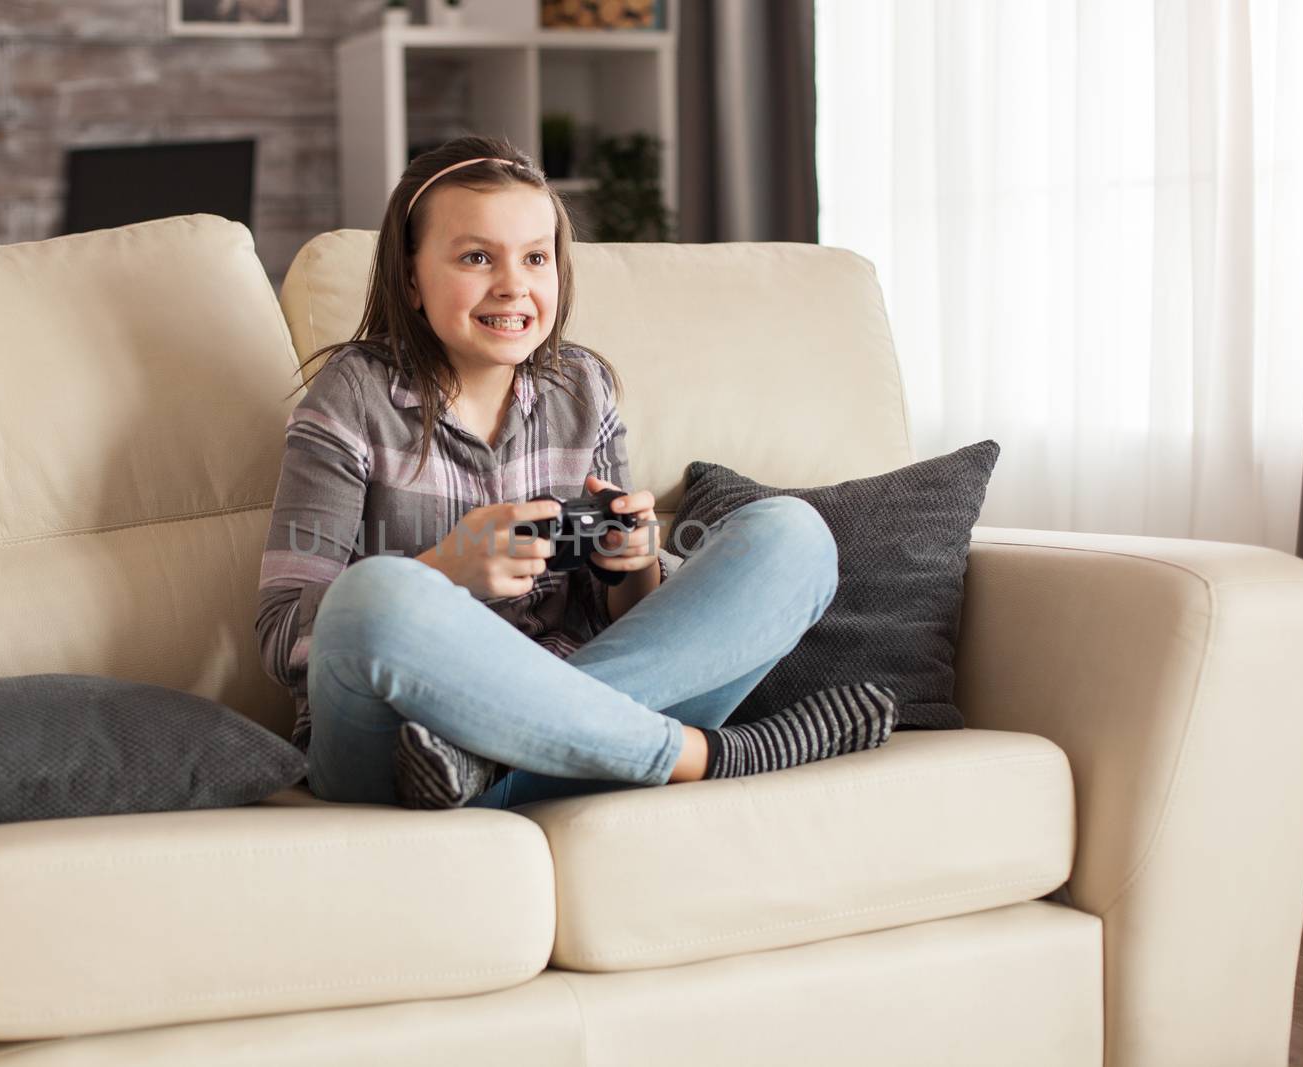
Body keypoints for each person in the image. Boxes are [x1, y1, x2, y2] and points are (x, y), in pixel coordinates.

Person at [256, 134, 898, 811]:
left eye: (536, 257)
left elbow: (630, 623)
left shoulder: (582, 387)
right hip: (387, 744)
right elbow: (279, 634)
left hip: (552, 720)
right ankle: (706, 752)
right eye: (477, 256)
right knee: (376, 594)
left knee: (792, 534)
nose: (514, 284)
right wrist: (446, 570)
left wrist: (634, 566)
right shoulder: (351, 397)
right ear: (412, 279)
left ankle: (483, 764)